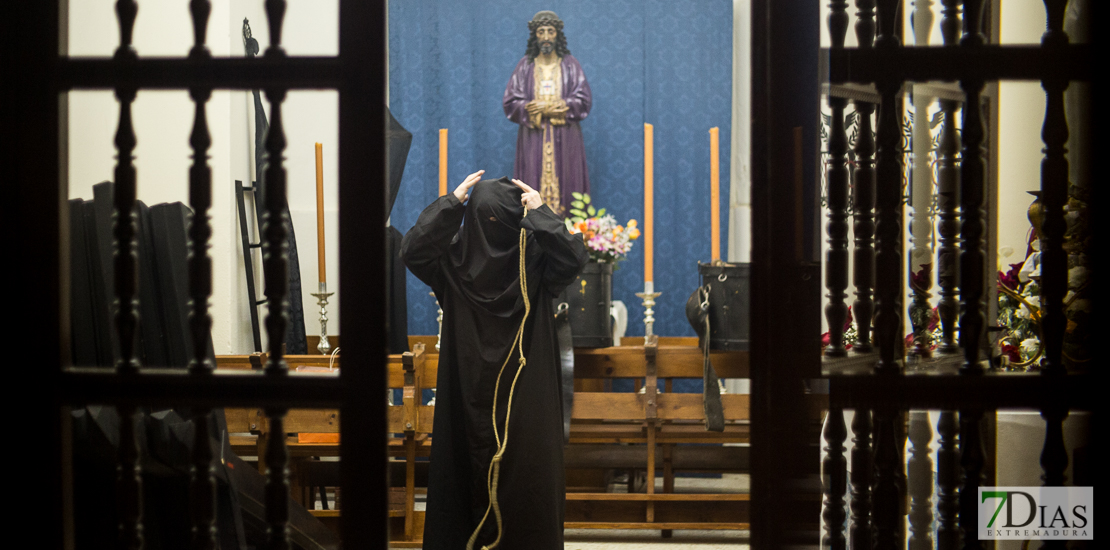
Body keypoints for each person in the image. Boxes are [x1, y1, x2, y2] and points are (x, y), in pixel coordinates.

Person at [401, 170, 588, 549]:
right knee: (520, 476)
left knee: (508, 473)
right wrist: (542, 215)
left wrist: (452, 205)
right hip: (521, 395)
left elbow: (414, 249)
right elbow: (572, 258)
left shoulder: (471, 264)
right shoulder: (530, 263)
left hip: (481, 391)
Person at [503, 10, 592, 217]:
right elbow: (510, 101)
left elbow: (584, 99)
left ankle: (570, 232)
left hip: (566, 136)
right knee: (532, 178)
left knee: (568, 182)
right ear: (534, 35)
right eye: (540, 31)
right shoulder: (526, 66)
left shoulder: (570, 65)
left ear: (557, 35)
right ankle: (532, 230)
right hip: (534, 137)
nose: (545, 37)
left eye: (550, 31)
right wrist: (530, 108)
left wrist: (560, 106)